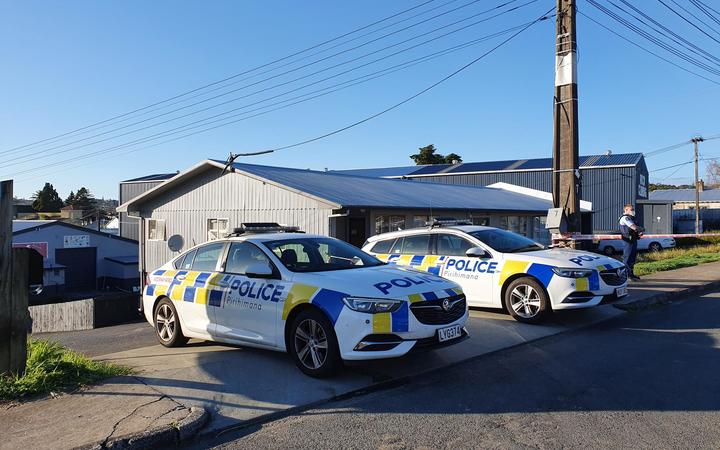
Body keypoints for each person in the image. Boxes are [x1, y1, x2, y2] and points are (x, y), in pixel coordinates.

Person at [619, 203, 643, 281]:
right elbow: (633, 227)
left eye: (633, 209)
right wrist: (640, 229)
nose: (633, 211)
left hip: (633, 240)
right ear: (626, 210)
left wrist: (640, 232)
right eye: (631, 210)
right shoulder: (625, 218)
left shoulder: (632, 218)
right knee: (627, 258)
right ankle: (624, 275)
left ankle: (631, 274)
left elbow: (637, 229)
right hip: (627, 240)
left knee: (632, 258)